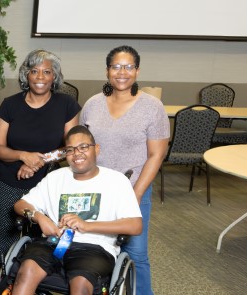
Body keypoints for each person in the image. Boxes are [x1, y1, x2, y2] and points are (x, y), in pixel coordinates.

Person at [8, 125, 143, 295]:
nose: (77, 153)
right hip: (54, 242)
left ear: (97, 149)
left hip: (95, 247)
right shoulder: (55, 178)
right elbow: (20, 204)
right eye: (70, 149)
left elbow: (135, 225)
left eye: (83, 147)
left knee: (80, 284)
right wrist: (40, 217)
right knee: (25, 271)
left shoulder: (116, 181)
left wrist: (87, 226)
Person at [79, 45, 168, 295]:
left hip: (134, 189)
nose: (122, 72)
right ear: (107, 71)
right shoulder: (93, 104)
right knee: (94, 249)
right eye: (116, 66)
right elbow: (82, 148)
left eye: (129, 67)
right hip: (96, 190)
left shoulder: (152, 107)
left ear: (137, 71)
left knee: (136, 254)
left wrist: (136, 194)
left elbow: (156, 154)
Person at [0, 49, 80, 266]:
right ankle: (8, 284)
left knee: (44, 242)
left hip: (49, 184)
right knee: (8, 239)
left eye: (47, 72)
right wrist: (23, 155)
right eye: (34, 71)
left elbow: (72, 147)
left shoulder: (67, 105)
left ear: (55, 77)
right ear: (26, 75)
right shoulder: (10, 104)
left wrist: (38, 160)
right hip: (8, 183)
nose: (40, 77)